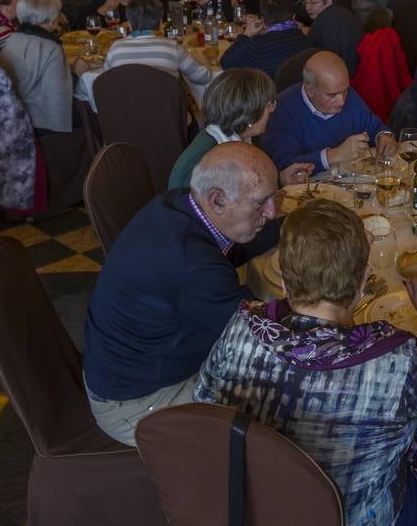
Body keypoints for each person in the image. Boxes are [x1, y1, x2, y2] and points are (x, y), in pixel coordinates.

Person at [196, 199, 417, 525]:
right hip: (354, 516)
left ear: (284, 282)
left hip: (255, 509)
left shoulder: (243, 326)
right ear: (362, 285)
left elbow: (205, 406)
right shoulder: (394, 361)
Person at [84, 143, 280, 445]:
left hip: (128, 365)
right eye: (260, 203)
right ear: (217, 200)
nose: (272, 210)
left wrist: (291, 228)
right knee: (281, 395)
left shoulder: (181, 204)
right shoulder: (191, 265)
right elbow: (262, 336)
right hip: (137, 403)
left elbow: (237, 244)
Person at [261, 51, 396, 175]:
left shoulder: (347, 95)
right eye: (332, 95)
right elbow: (285, 167)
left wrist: (384, 136)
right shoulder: (282, 110)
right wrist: (335, 155)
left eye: (345, 90)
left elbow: (374, 127)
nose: (342, 101)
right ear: (310, 90)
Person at [169, 68, 299, 189]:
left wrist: (280, 179)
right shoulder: (205, 160)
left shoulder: (239, 138)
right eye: (269, 104)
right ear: (250, 113)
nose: (271, 110)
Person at [0, 0, 85, 134]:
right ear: (52, 18)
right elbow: (58, 98)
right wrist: (77, 73)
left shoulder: (12, 39)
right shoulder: (50, 48)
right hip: (42, 125)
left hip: (13, 117)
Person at [102, 0, 213, 92]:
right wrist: (203, 58)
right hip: (165, 113)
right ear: (160, 23)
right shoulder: (172, 47)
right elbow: (202, 78)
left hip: (125, 112)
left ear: (129, 24)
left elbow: (105, 79)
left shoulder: (116, 48)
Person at [219, 0, 313, 77]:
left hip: (267, 93)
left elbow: (226, 64)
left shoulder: (257, 45)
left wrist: (245, 35)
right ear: (293, 16)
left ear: (263, 20)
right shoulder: (306, 41)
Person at [304, 0, 364, 75]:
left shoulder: (327, 22)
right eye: (305, 2)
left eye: (313, 2)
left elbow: (331, 60)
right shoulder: (341, 12)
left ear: (328, 2)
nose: (308, 7)